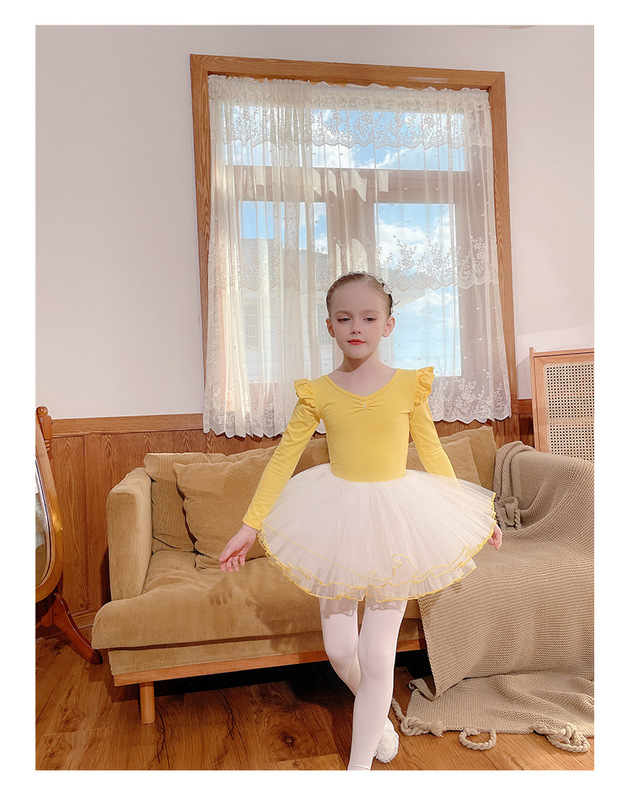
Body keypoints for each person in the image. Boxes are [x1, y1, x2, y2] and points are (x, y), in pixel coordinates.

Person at [220, 271, 502, 771]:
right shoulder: (318, 392)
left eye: (369, 318)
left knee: (376, 654)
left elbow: (432, 451)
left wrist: (474, 513)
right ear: (329, 325)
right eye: (345, 317)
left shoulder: (409, 386)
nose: (357, 327)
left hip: (396, 521)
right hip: (337, 518)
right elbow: (283, 459)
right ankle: (381, 721)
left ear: (388, 325)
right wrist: (250, 526)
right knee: (338, 649)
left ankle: (358, 771)